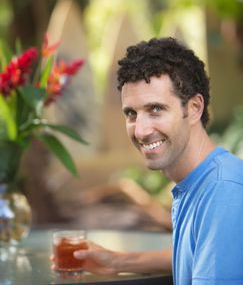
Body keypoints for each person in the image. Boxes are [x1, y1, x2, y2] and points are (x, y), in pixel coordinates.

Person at [58, 37, 243, 284]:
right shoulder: (199, 181)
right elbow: (197, 254)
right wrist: (117, 261)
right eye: (132, 114)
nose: (141, 130)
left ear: (195, 108)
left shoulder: (223, 191)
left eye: (155, 109)